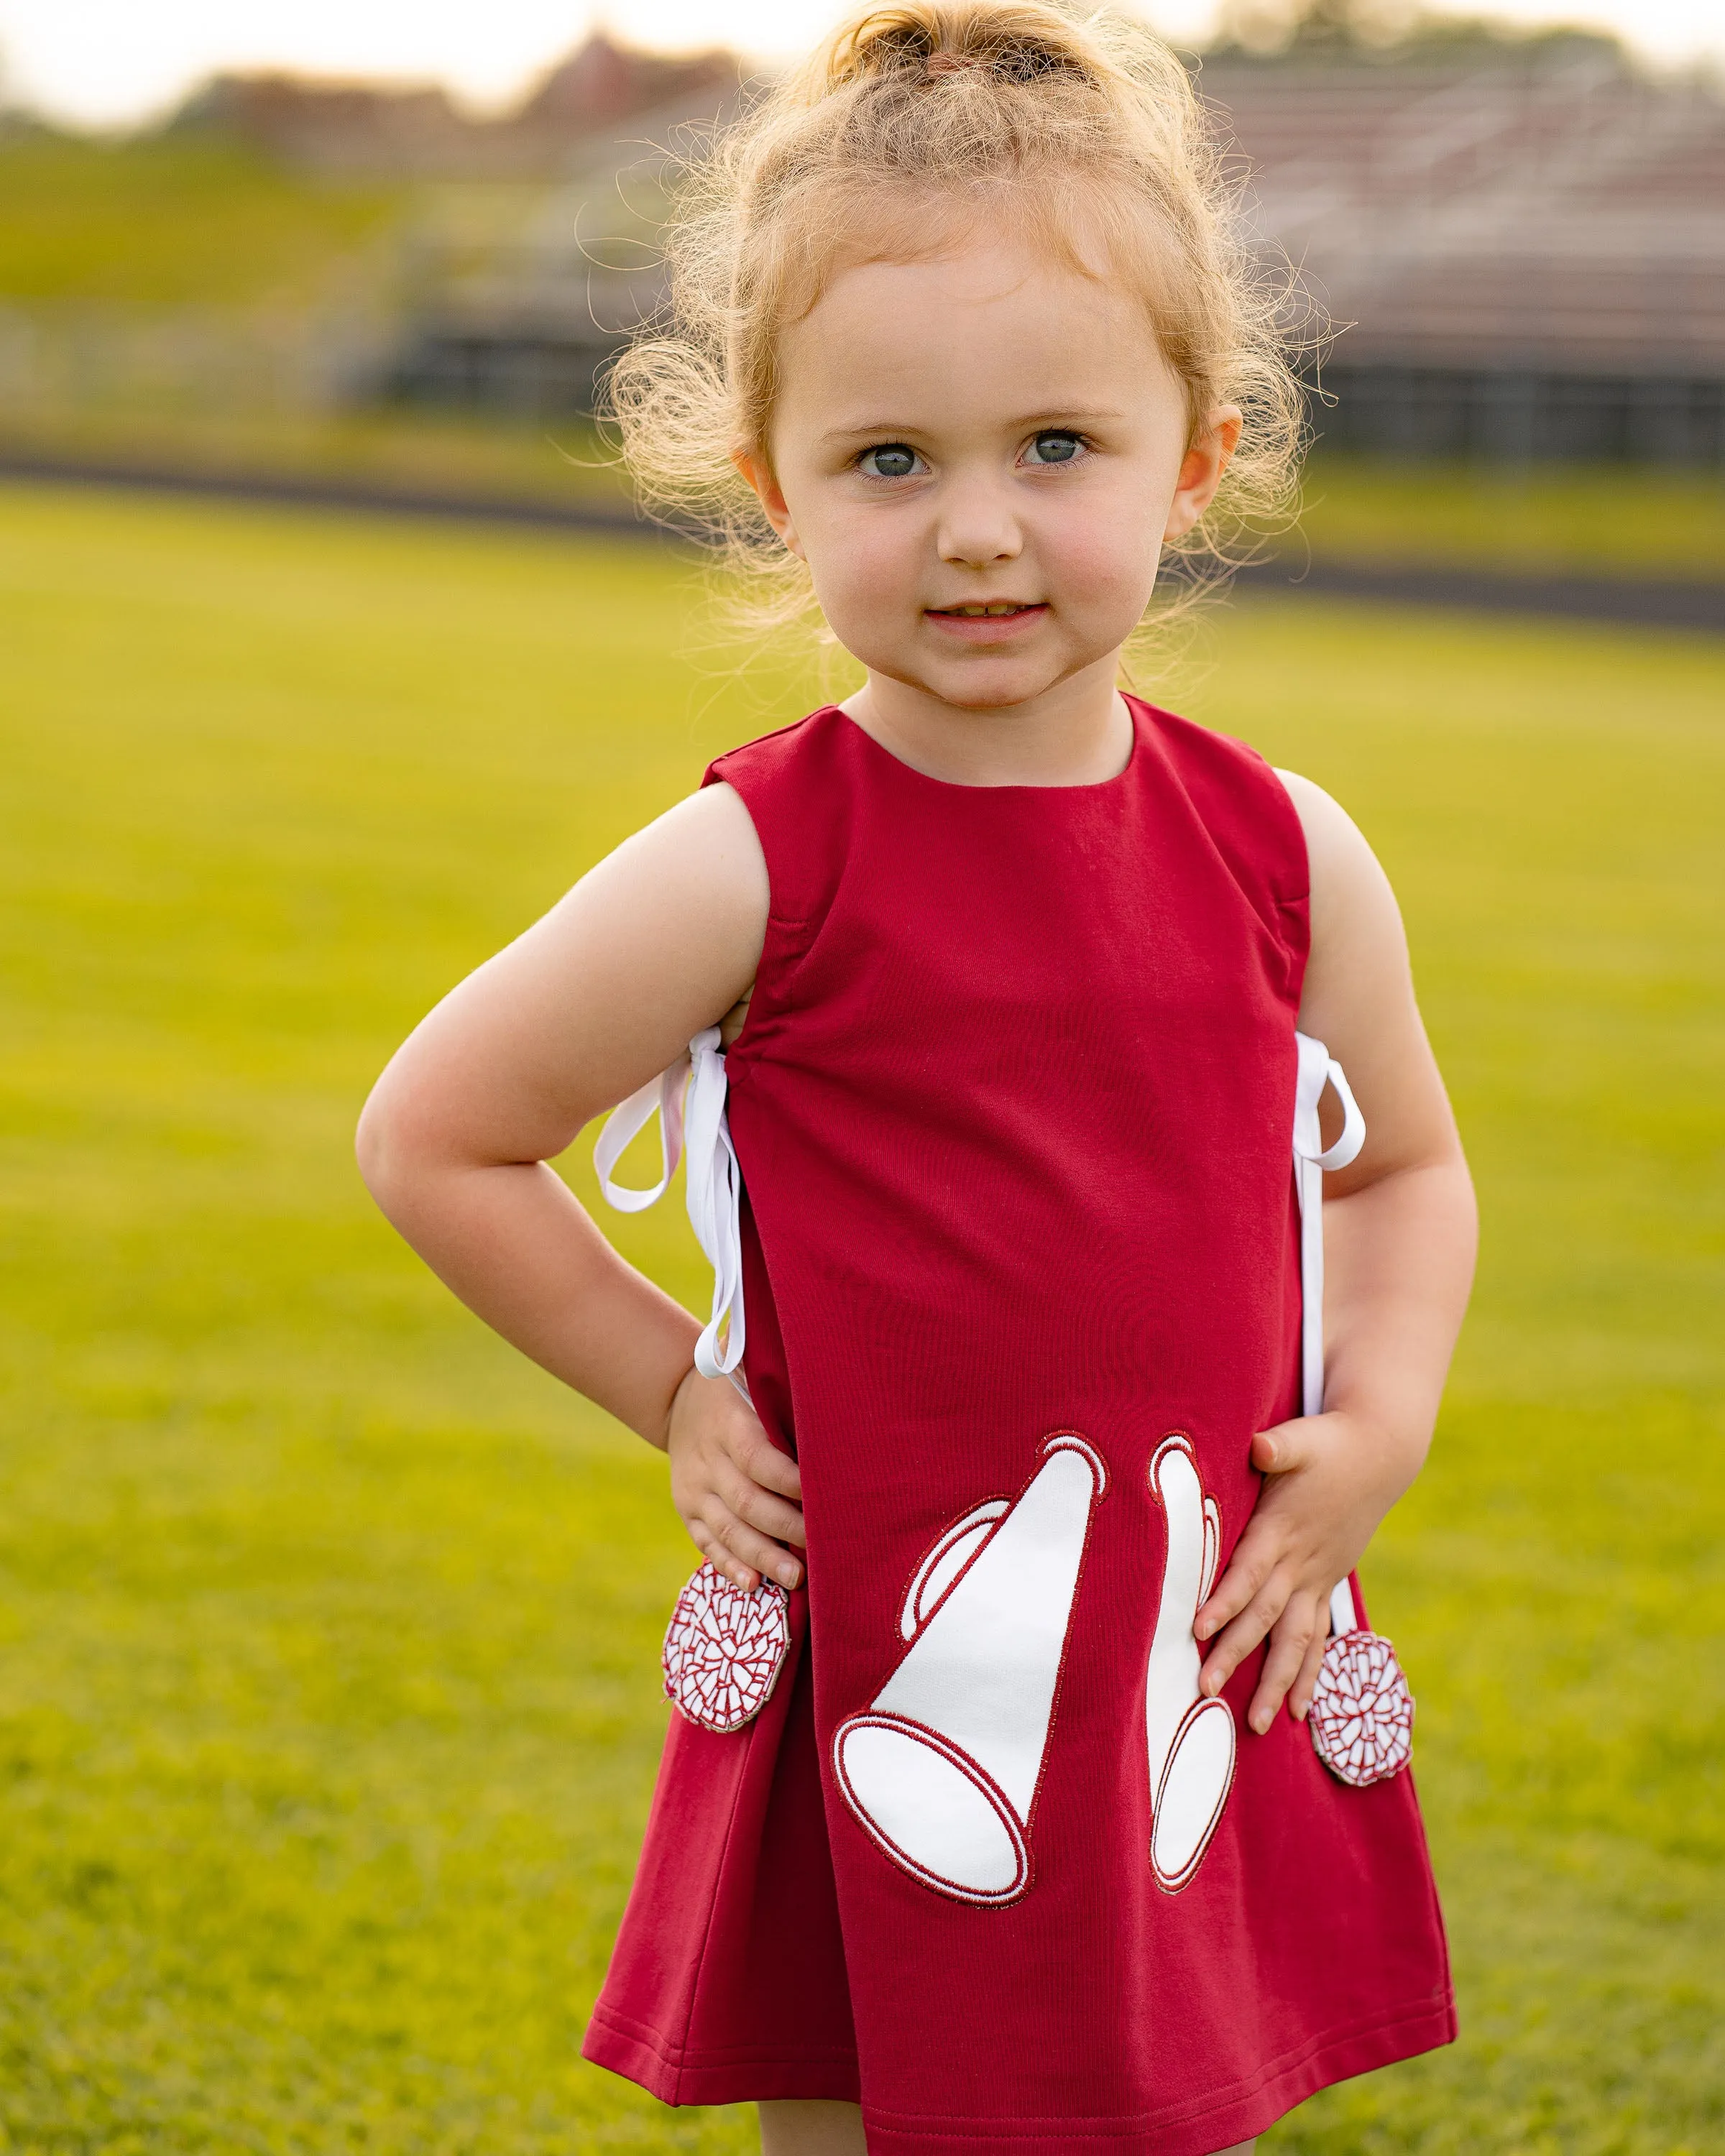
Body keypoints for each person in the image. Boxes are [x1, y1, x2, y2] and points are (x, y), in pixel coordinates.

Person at [356, 4, 1478, 2150]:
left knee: (1173, 2087)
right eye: (893, 462)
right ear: (773, 486)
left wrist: (1385, 1420)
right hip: (894, 1659)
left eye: (1059, 447)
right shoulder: (757, 859)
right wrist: (679, 1394)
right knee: (872, 2107)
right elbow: (437, 1134)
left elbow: (1405, 1171)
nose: (979, 530)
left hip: (1185, 1638)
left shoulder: (1285, 854)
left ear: (1199, 456)